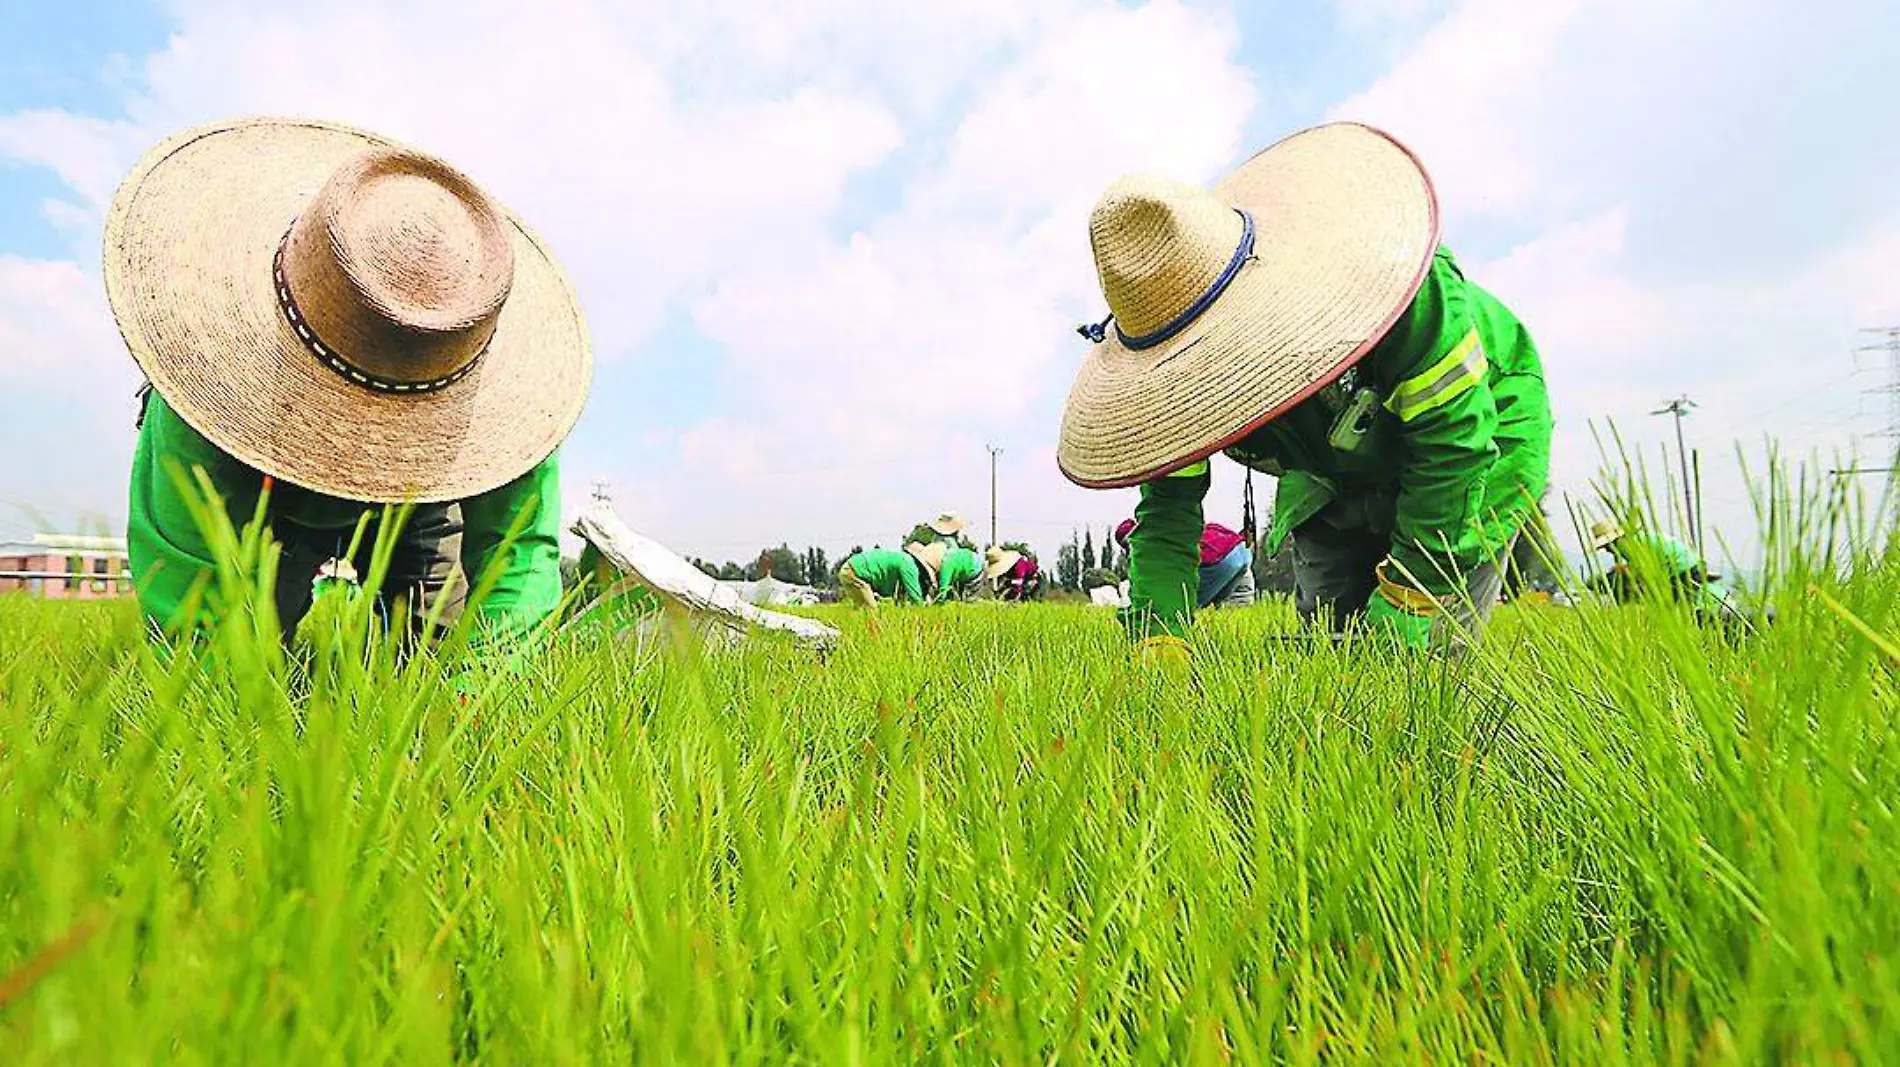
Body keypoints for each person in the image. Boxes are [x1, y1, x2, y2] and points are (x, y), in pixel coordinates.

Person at [1056, 123, 1552, 659]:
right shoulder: (1171, 390)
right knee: (1328, 643)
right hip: (1326, 463)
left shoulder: (1401, 292)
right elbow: (1170, 509)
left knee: (1423, 657)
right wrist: (1159, 632)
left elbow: (1453, 448)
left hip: (1475, 445)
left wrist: (1410, 596)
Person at [108, 117, 592, 644]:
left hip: (418, 502)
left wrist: (469, 697)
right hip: (267, 495)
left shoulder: (515, 421)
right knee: (250, 645)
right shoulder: (198, 383)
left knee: (426, 648)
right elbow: (189, 585)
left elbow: (515, 563)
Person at [1587, 519, 1739, 623]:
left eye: (1606, 547)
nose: (1608, 551)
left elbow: (1644, 569)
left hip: (1679, 570)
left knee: (1679, 612)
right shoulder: (1638, 538)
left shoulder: (1624, 545)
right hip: (1688, 563)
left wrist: (1627, 573)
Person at [1114, 519, 1255, 609]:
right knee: (1236, 610)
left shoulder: (1144, 545)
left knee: (1186, 608)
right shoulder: (1164, 527)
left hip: (1217, 559)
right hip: (1242, 550)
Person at [837, 542, 943, 608]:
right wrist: (927, 609)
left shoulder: (903, 560)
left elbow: (900, 599)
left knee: (861, 610)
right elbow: (916, 600)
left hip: (852, 569)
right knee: (870, 613)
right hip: (855, 572)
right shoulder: (909, 566)